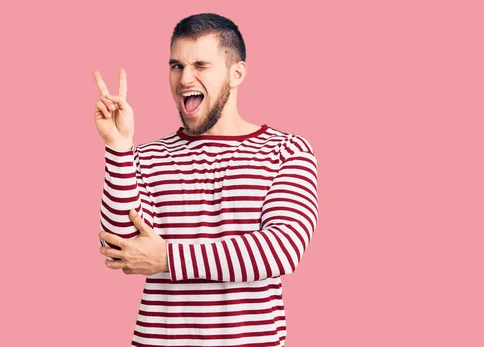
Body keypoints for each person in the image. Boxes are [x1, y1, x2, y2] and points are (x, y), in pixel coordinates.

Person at [92, 13, 319, 347]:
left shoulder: (286, 151)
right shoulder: (147, 156)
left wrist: (167, 258)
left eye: (201, 65)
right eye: (177, 66)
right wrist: (119, 147)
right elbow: (120, 247)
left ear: (236, 72)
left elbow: (281, 249)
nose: (185, 78)